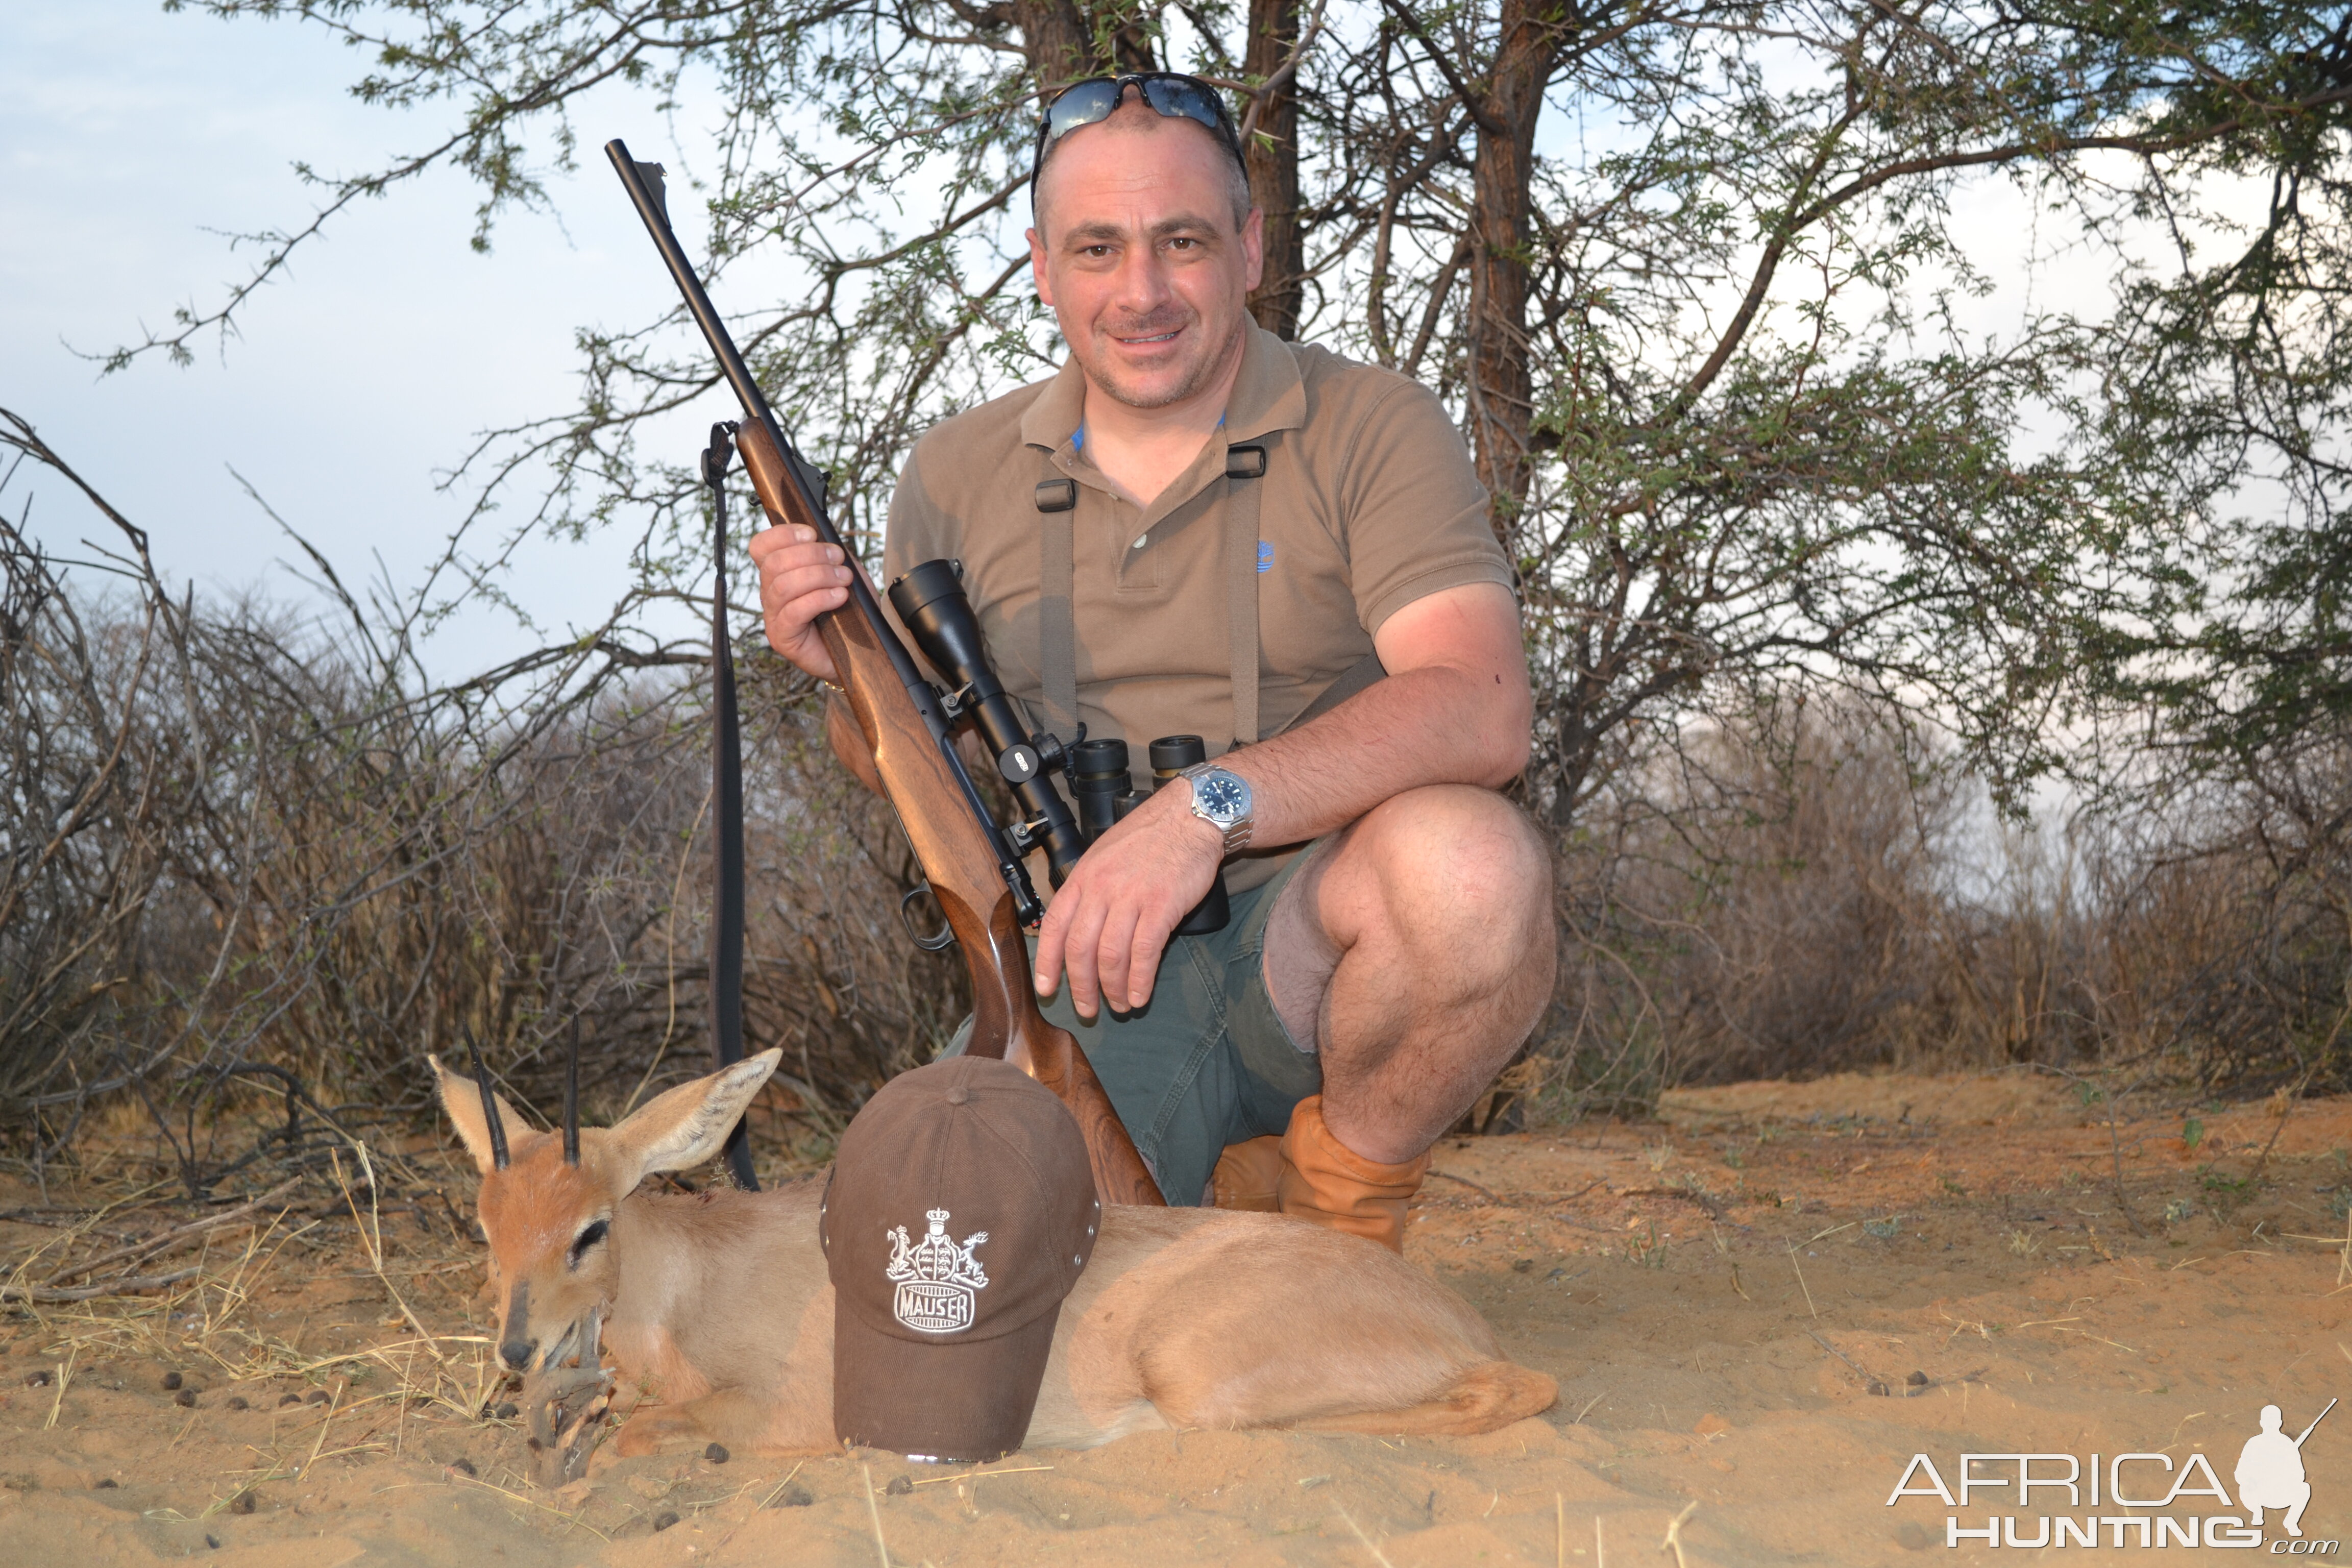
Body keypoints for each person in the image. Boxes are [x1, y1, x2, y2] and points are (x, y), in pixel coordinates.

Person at [750, 71, 1556, 1250]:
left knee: (1471, 868)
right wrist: (844, 674)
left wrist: (1201, 812)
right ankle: (1215, 1183)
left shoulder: (1373, 422)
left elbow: (1482, 707)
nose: (1141, 292)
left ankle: (1344, 1215)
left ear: (1247, 244)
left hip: (1314, 947)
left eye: (1180, 240)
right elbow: (923, 769)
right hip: (1094, 970)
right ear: (1040, 264)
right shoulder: (954, 472)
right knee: (949, 1263)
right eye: (1096, 248)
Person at [2237, 1403, 2314, 1536]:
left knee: (2305, 1488)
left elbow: (2300, 1474)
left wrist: (2283, 1476)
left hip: (2282, 1494)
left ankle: (2291, 1522)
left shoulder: (2287, 1444)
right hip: (2259, 1494)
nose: (2271, 1424)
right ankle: (2257, 1512)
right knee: (2244, 1487)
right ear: (2262, 1423)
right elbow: (2240, 1473)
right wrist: (2252, 1479)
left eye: (2273, 1420)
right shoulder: (2253, 1443)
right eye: (2268, 1420)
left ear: (2280, 1422)